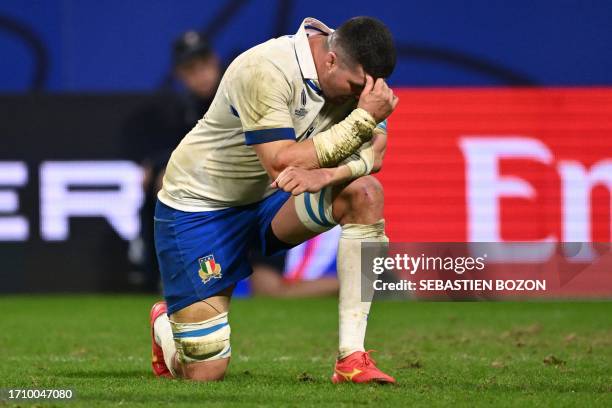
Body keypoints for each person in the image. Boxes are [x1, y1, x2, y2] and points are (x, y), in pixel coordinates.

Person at [150, 16, 398, 384]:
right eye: (353, 87)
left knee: (364, 194)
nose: (357, 98)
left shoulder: (357, 74)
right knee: (204, 373)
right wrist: (363, 119)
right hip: (199, 209)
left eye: (365, 92)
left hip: (272, 200)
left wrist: (328, 175)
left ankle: (352, 359)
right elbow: (281, 160)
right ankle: (164, 326)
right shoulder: (264, 68)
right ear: (330, 61)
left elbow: (374, 157)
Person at [123, 30, 222, 291]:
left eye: (204, 65)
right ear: (179, 74)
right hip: (199, 182)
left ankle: (199, 268)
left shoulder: (233, 94)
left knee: (170, 177)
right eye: (191, 69)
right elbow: (169, 151)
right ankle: (159, 265)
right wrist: (154, 165)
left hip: (236, 175)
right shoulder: (177, 110)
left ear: (215, 62)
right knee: (160, 178)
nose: (200, 75)